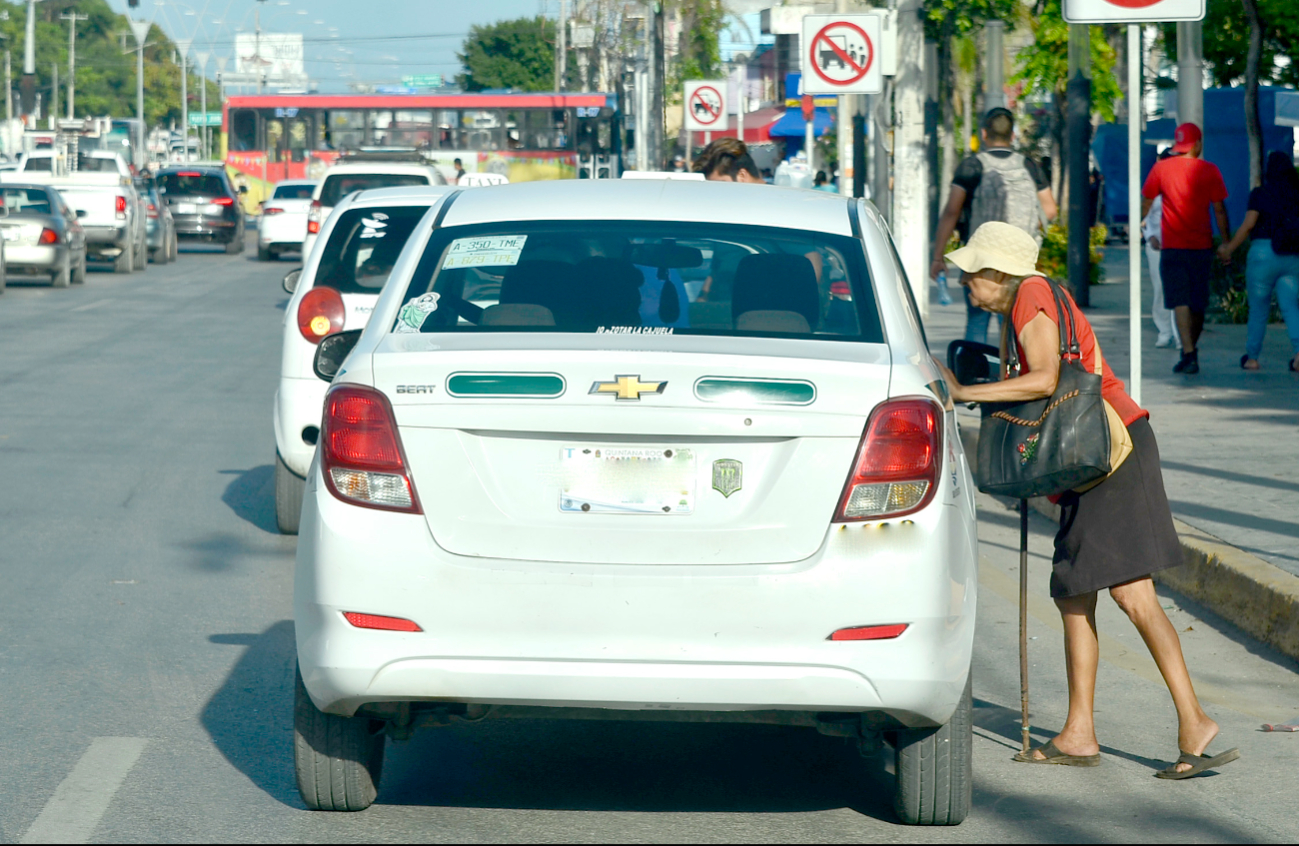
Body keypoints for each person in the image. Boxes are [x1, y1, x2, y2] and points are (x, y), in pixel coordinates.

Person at [937, 222, 1240, 779]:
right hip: (1096, 457)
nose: (964, 281)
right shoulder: (1031, 299)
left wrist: (963, 393)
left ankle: (1192, 722)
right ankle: (1081, 730)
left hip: (1111, 452)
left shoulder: (1030, 296)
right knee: (1075, 587)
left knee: (1129, 593)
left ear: (997, 274)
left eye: (972, 272)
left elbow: (1046, 378)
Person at [931, 107, 1058, 344]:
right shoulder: (1028, 166)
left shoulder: (972, 166)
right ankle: (1010, 373)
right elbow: (1050, 209)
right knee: (1013, 322)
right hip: (1017, 263)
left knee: (977, 321)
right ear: (1012, 136)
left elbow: (951, 211)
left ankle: (972, 374)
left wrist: (938, 257)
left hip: (980, 261)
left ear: (984, 134)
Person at [1141, 123, 1230, 375]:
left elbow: (1147, 201)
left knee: (1179, 300)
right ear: (1198, 144)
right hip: (1201, 246)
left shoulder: (1160, 169)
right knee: (1198, 302)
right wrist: (1224, 241)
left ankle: (1188, 352)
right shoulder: (1209, 170)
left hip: (1173, 247)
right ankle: (1190, 350)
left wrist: (1141, 227)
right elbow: (1219, 209)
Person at [1217, 150, 1299, 371]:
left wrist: (1229, 248)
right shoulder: (1296, 193)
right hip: (1291, 256)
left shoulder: (1260, 193)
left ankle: (1252, 358)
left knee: (1259, 308)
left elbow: (1249, 224)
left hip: (1263, 255)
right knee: (1291, 307)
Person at [1142, 178, 1179, 348]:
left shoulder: (1181, 191)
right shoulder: (1152, 193)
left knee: (1178, 290)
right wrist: (1150, 236)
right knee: (1160, 290)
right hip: (1157, 247)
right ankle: (1165, 331)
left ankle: (1180, 335)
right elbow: (1144, 217)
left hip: (1179, 246)